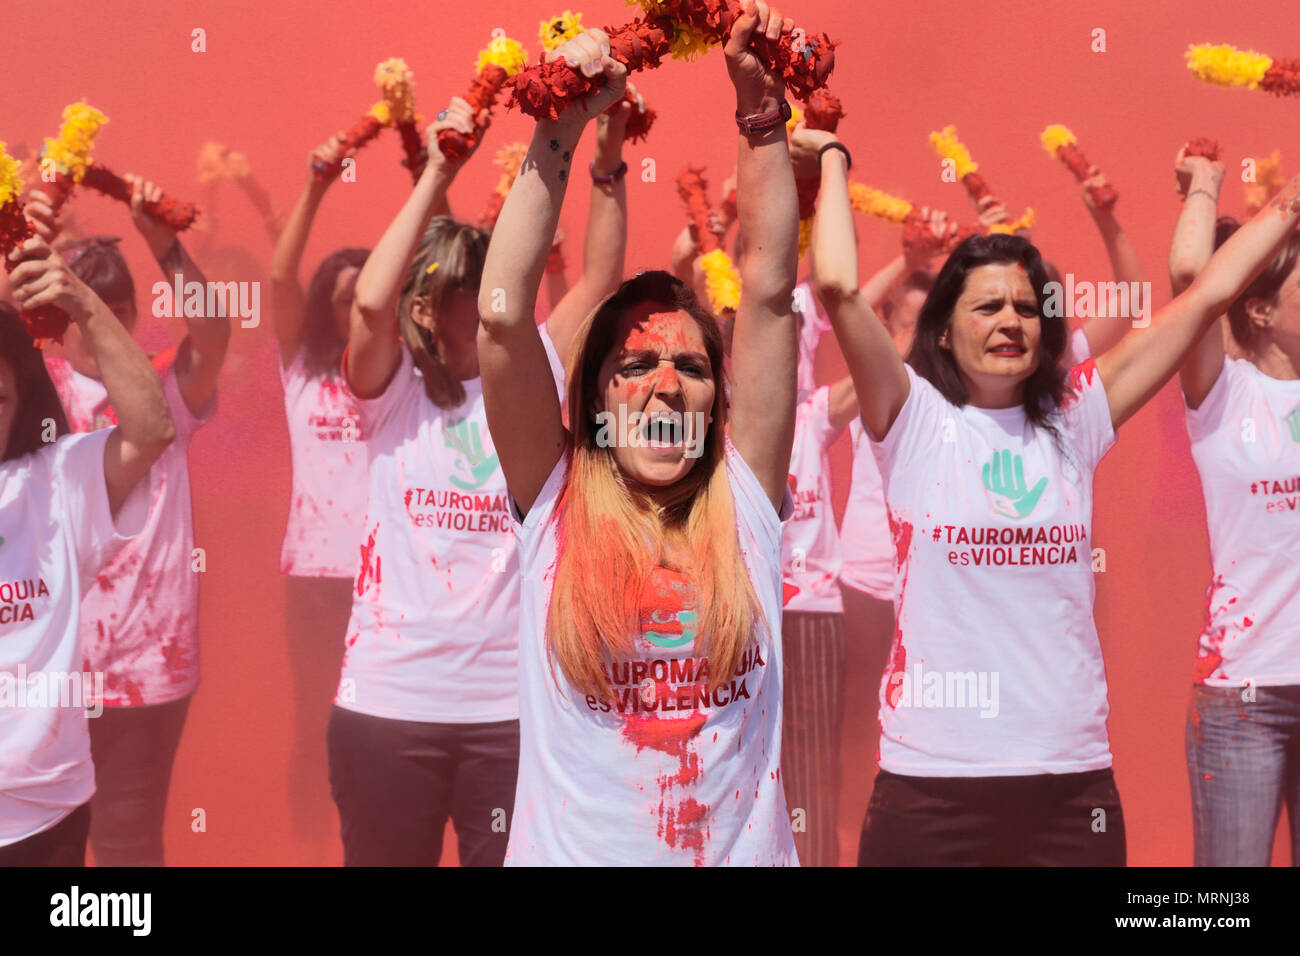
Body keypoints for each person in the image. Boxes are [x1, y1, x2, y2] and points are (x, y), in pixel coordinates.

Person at [810, 118, 1300, 865]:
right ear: (942, 332)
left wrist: (1292, 204)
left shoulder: (1077, 417)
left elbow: (1209, 295)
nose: (1011, 319)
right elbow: (838, 287)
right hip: (932, 786)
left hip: (1070, 791)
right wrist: (837, 160)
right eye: (986, 306)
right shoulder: (912, 420)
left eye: (1026, 307)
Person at [479, 2, 802, 865]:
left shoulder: (748, 501)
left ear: (716, 403)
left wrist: (762, 108)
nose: (666, 382)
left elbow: (769, 293)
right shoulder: (551, 500)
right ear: (593, 401)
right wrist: (559, 134)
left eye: (692, 369)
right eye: (634, 366)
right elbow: (502, 314)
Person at [328, 84, 631, 866]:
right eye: (476, 282)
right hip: (389, 709)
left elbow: (598, 282)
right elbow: (368, 302)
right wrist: (438, 171)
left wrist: (607, 161)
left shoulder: (526, 373)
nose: (501, 292)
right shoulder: (390, 394)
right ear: (430, 304)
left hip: (511, 710)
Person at [24, 177, 225, 866]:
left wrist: (164, 244)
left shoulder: (166, 384)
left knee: (127, 844)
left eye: (119, 308)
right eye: (88, 308)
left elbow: (217, 329)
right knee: (45, 837)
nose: (103, 322)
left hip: (150, 662)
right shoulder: (32, 391)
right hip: (49, 664)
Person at [0, 236, 174, 866]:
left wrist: (80, 300)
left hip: (46, 811)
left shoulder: (57, 480)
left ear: (21, 404)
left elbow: (152, 428)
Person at [1169, 146, 1300, 866]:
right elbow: (1192, 280)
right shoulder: (1226, 395)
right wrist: (1204, 188)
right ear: (1259, 307)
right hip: (1243, 695)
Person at [268, 132, 371, 858]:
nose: (357, 312)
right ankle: (305, 843)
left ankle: (366, 837)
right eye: (345, 300)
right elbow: (277, 279)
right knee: (314, 716)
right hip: (312, 580)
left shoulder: (400, 379)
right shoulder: (302, 368)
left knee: (376, 718)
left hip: (385, 580)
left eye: (369, 300)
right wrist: (316, 184)